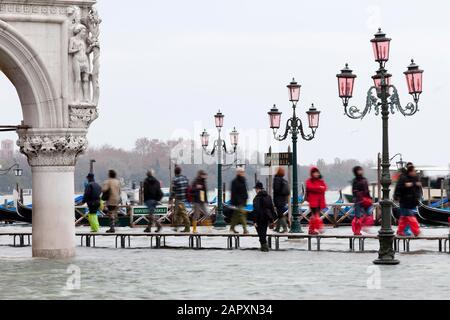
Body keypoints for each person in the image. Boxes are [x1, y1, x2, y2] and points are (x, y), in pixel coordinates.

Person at [394, 165, 422, 237]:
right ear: (409, 171)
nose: (414, 172)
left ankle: (400, 231)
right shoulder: (403, 178)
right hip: (404, 201)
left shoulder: (415, 178)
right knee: (410, 217)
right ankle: (417, 232)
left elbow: (417, 190)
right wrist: (397, 196)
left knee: (404, 218)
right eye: (413, 171)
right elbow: (399, 188)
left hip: (412, 202)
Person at [252, 182, 277, 252]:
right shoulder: (268, 196)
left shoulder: (257, 198)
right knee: (263, 232)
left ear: (257, 189)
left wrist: (254, 221)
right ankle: (263, 247)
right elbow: (271, 207)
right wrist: (272, 219)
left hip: (259, 218)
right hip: (266, 217)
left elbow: (256, 210)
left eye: (255, 189)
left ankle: (265, 248)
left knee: (261, 233)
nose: (255, 190)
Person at [352, 166, 374, 235]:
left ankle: (365, 226)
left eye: (361, 170)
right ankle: (357, 231)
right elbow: (354, 191)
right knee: (358, 216)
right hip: (358, 200)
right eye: (359, 170)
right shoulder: (355, 181)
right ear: (356, 172)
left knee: (369, 213)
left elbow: (367, 190)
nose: (360, 171)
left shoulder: (365, 179)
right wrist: (360, 195)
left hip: (366, 200)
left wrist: (369, 198)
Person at [305, 167, 327, 235]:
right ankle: (319, 227)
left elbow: (325, 188)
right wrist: (319, 188)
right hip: (313, 201)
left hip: (319, 201)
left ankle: (311, 230)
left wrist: (317, 188)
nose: (316, 174)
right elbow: (310, 187)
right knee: (315, 216)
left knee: (313, 216)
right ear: (312, 173)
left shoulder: (321, 181)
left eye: (317, 172)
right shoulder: (309, 181)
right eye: (315, 173)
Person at [169, 166, 191, 233]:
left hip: (178, 199)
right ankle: (176, 226)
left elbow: (173, 190)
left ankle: (187, 227)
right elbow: (188, 187)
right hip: (184, 198)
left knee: (183, 213)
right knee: (178, 213)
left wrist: (170, 199)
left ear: (174, 172)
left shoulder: (175, 179)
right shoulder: (184, 178)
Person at [230, 167, 249, 234]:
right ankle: (245, 229)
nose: (243, 173)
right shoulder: (234, 181)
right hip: (238, 201)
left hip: (243, 200)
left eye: (243, 172)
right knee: (242, 215)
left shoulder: (243, 180)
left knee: (236, 215)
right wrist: (237, 201)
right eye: (241, 172)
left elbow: (245, 190)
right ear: (238, 173)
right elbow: (233, 192)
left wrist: (246, 198)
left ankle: (232, 228)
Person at [273, 167, 290, 233]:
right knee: (280, 214)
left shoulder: (276, 179)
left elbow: (276, 189)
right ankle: (277, 228)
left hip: (278, 199)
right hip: (283, 200)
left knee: (280, 214)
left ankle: (285, 228)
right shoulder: (283, 180)